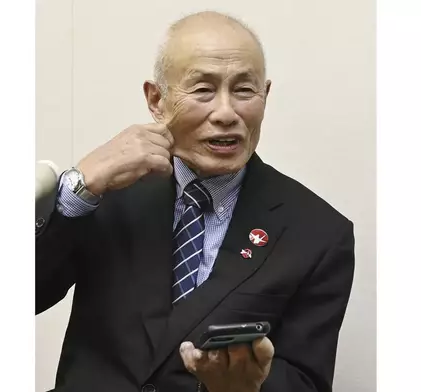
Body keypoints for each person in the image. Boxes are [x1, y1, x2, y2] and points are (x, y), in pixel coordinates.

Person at [36, 10, 355, 392]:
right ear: (156, 100)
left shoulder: (317, 232)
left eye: (243, 90)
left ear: (265, 96)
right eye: (203, 89)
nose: (226, 113)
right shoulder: (111, 190)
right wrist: (78, 188)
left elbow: (307, 381)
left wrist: (244, 387)